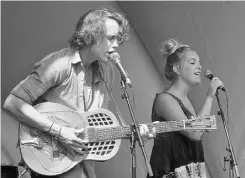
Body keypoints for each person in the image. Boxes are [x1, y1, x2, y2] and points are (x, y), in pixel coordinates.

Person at [3, 8, 154, 178]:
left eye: (118, 39)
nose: (117, 44)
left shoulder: (107, 73)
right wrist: (59, 131)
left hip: (83, 167)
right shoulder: (59, 64)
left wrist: (133, 134)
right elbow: (13, 102)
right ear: (92, 35)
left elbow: (91, 127)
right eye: (111, 38)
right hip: (48, 160)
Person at [148, 39, 223, 178]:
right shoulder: (165, 99)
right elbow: (194, 133)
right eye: (193, 62)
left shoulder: (187, 102)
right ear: (176, 69)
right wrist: (209, 97)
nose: (199, 67)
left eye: (199, 63)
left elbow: (197, 133)